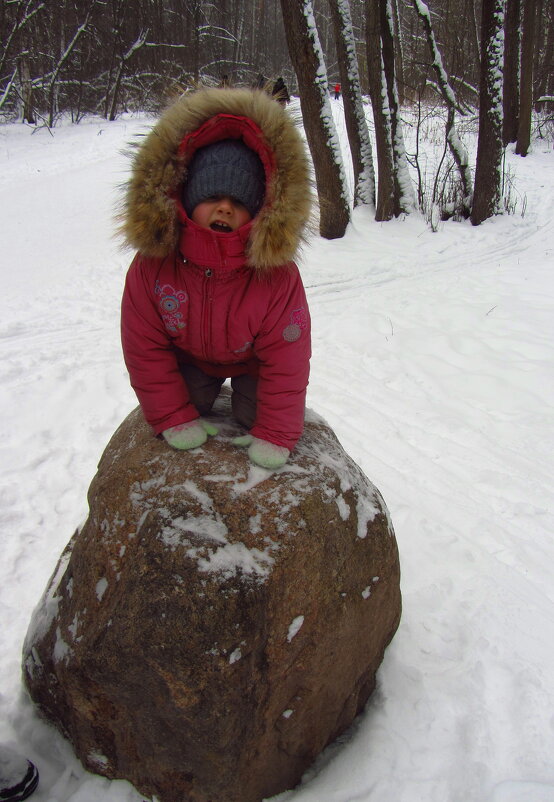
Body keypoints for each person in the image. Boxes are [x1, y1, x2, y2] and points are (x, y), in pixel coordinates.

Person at [120, 86, 312, 470]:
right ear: (188, 198)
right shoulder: (155, 265)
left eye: (240, 201)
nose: (225, 207)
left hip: (252, 363)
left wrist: (276, 432)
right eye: (213, 196)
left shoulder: (275, 276)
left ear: (260, 210)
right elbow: (145, 347)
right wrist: (173, 416)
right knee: (186, 400)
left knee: (255, 412)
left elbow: (287, 357)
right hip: (189, 360)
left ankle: (250, 400)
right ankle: (190, 397)